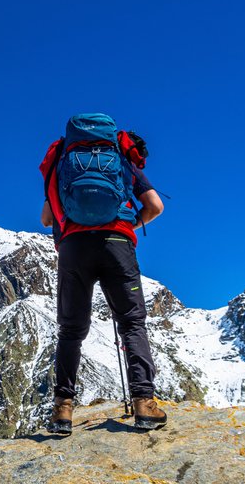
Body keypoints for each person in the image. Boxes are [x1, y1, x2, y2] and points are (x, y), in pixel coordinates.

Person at [38, 113, 168, 434]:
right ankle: (144, 404)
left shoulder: (63, 161)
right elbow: (155, 205)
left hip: (74, 248)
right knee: (131, 322)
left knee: (71, 331)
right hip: (117, 244)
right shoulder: (121, 158)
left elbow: (45, 218)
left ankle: (63, 410)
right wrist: (129, 225)